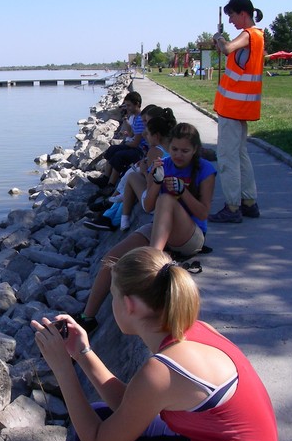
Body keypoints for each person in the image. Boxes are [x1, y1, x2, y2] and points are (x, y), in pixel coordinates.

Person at [32, 246, 278, 441]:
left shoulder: (163, 370)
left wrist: (63, 369)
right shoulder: (196, 329)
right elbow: (132, 403)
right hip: (209, 439)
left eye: (113, 295)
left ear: (129, 305)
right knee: (100, 413)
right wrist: (82, 352)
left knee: (88, 434)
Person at [78, 123, 216, 332]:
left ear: (195, 150)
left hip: (190, 235)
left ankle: (153, 263)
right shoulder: (163, 165)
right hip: (160, 228)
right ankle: (87, 317)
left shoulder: (205, 169)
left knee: (167, 200)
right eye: (174, 149)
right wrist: (156, 181)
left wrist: (183, 192)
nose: (178, 155)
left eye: (185, 151)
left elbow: (203, 213)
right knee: (111, 258)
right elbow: (148, 206)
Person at [209, 0, 264, 223]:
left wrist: (219, 37)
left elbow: (228, 48)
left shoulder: (249, 35)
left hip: (232, 108)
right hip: (241, 108)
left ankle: (232, 208)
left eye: (232, 15)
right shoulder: (258, 37)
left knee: (227, 158)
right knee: (241, 155)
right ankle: (249, 202)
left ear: (243, 13)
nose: (231, 20)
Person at [120, 107, 177, 231]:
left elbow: (151, 185)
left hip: (155, 204)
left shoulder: (155, 151)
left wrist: (144, 171)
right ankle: (121, 197)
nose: (145, 137)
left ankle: (124, 220)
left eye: (148, 134)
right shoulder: (175, 147)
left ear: (156, 136)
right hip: (174, 200)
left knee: (132, 176)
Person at [88, 92, 147, 196]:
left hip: (140, 150)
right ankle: (105, 178)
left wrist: (126, 143)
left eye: (129, 105)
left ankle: (111, 185)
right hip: (135, 146)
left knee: (119, 155)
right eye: (126, 105)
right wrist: (126, 121)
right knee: (112, 149)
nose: (127, 108)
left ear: (137, 104)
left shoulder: (140, 120)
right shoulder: (135, 117)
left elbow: (135, 143)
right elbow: (132, 133)